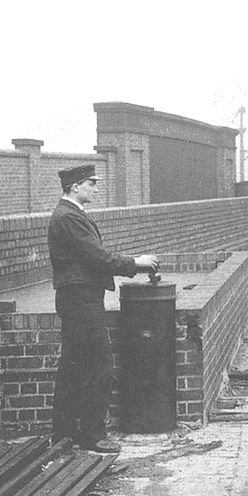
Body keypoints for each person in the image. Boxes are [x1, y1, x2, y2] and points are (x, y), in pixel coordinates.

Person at [47, 164, 159, 453]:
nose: (96, 189)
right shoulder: (69, 217)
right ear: (75, 187)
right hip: (82, 300)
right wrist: (137, 263)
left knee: (73, 365)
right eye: (91, 184)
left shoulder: (68, 215)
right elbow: (97, 257)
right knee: (98, 364)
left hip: (76, 299)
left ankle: (64, 433)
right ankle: (94, 436)